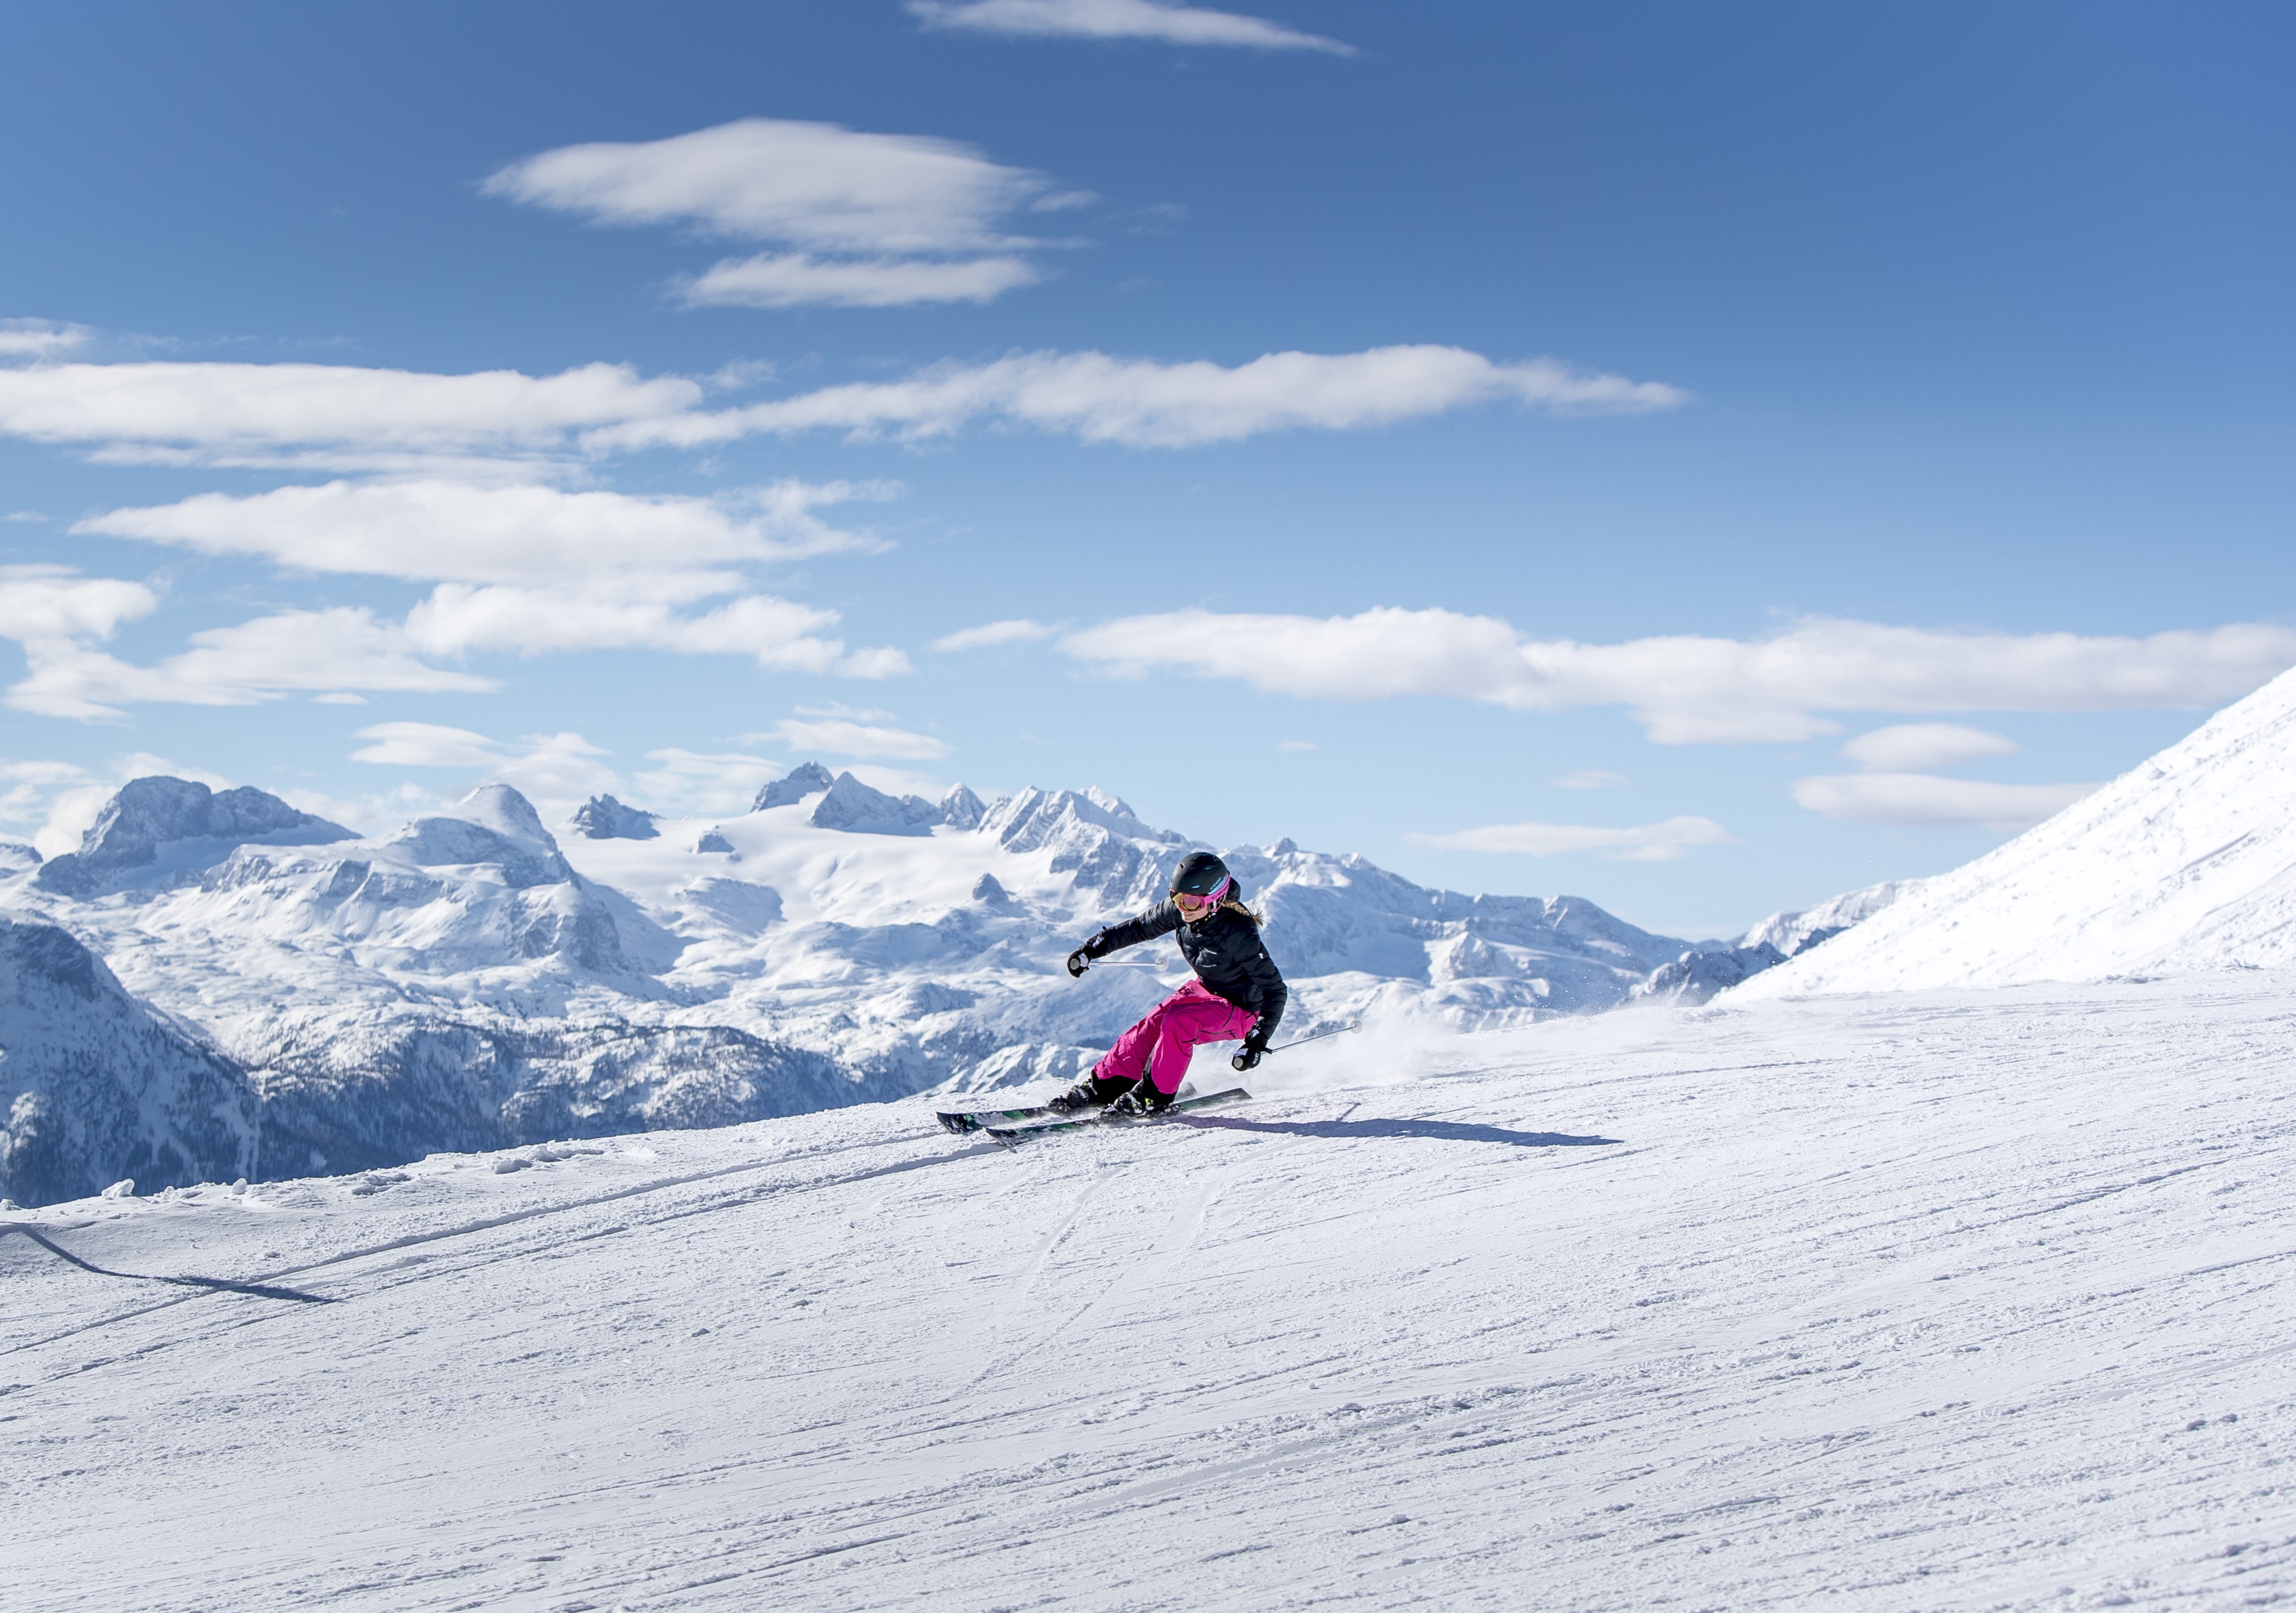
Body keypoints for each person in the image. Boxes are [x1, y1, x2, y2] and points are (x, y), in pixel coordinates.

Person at [1055, 850, 1287, 1116]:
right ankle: (1105, 1086)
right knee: (1151, 1025)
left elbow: (1275, 990)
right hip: (1207, 990)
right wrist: (1093, 949)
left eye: (1190, 902)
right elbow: (1140, 927)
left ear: (1215, 900)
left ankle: (1153, 1097)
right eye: (1176, 897)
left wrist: (1256, 1041)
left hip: (1243, 1009)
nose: (1181, 907)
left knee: (1179, 1022)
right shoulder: (1182, 910)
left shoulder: (1238, 932)